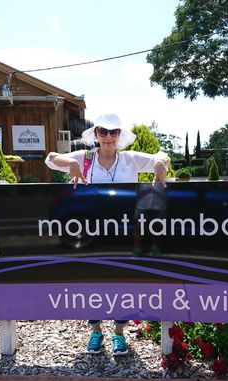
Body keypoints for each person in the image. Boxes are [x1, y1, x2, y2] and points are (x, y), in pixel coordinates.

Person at [45, 113, 170, 356]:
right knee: (92, 281)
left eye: (114, 132)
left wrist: (160, 164)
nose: (108, 137)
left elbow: (162, 155)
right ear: (96, 134)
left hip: (125, 233)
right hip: (92, 234)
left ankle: (119, 333)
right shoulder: (85, 157)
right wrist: (69, 163)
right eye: (103, 131)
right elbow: (50, 158)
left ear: (119, 135)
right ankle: (95, 332)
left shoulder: (130, 159)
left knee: (123, 282)